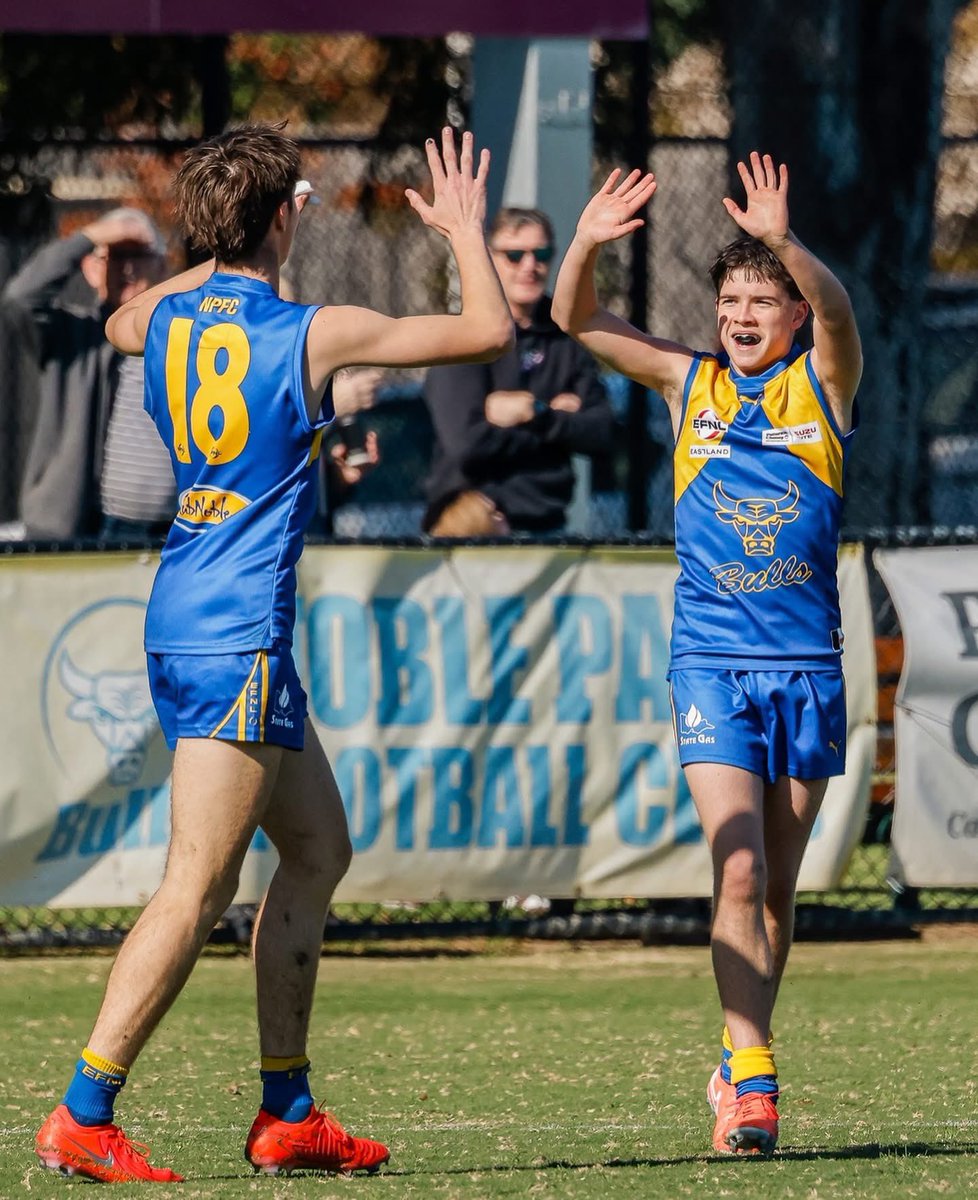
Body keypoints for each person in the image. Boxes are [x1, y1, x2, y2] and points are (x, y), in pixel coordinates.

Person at [34, 123, 513, 1183]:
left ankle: (287, 1110)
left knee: (316, 853)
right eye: (296, 197)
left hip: (189, 611)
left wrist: (218, 231)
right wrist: (464, 230)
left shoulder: (159, 315)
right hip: (236, 627)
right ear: (284, 214)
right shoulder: (313, 329)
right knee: (196, 887)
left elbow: (120, 319)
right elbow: (486, 329)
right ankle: (84, 1108)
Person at [552, 152, 862, 1156]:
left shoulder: (824, 385)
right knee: (733, 876)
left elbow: (844, 312)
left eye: (760, 298)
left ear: (792, 314)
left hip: (807, 672)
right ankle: (759, 1080)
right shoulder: (692, 386)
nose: (739, 314)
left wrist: (785, 242)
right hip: (711, 667)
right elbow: (579, 322)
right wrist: (586, 246)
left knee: (774, 890)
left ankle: (736, 1061)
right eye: (728, 297)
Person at [422, 206, 615, 536]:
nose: (530, 266)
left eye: (541, 253)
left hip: (548, 525)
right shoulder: (464, 336)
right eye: (515, 255)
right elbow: (467, 444)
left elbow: (601, 431)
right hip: (473, 525)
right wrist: (559, 422)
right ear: (491, 258)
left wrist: (534, 412)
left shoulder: (566, 336)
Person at [3, 209, 168, 540]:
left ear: (163, 266)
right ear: (93, 269)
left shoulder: (186, 336)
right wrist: (91, 236)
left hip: (177, 529)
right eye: (117, 257)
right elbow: (20, 298)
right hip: (93, 529)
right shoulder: (75, 335)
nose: (129, 268)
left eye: (138, 255)